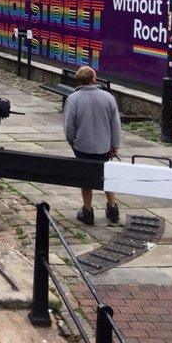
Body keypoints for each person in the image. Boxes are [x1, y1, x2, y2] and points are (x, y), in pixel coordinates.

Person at [63, 66, 121, 225]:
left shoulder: (73, 99)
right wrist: (114, 144)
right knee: (107, 175)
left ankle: (87, 210)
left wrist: (72, 141)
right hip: (104, 146)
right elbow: (115, 124)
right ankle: (112, 208)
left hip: (82, 146)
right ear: (93, 79)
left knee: (86, 178)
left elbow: (68, 126)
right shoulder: (108, 97)